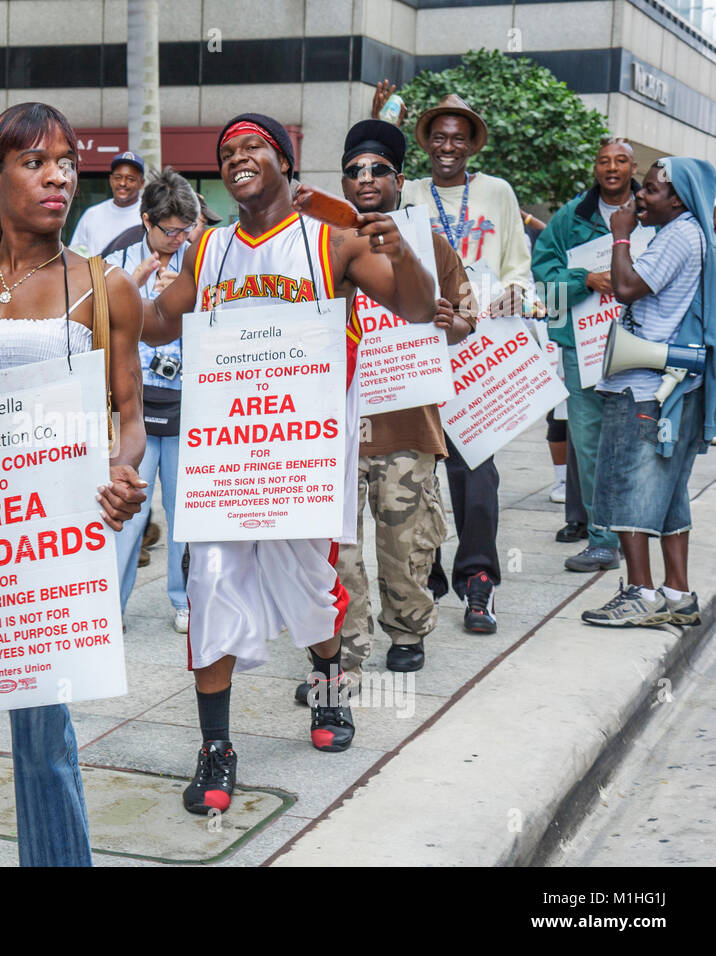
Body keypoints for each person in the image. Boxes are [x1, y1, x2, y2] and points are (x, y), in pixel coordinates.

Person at [142, 112, 435, 814]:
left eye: (253, 148)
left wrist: (406, 255)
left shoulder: (331, 245)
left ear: (283, 161)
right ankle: (216, 745)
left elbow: (419, 308)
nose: (237, 157)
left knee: (312, 586)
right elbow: (155, 322)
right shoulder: (205, 251)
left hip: (302, 456)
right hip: (224, 457)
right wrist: (103, 289)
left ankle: (329, 688)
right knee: (209, 583)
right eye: (227, 152)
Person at [0, 102, 147, 866]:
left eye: (65, 162)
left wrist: (122, 473)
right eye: (34, 162)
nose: (57, 177)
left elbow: (131, 415)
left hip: (48, 544)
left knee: (42, 736)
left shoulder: (102, 286)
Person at [289, 119, 473, 700]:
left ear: (399, 179)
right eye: (353, 170)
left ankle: (408, 629)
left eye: (377, 170)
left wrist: (452, 323)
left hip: (406, 421)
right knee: (336, 549)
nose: (364, 179)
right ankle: (343, 650)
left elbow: (468, 319)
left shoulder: (429, 243)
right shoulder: (318, 243)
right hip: (333, 424)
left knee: (405, 539)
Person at [399, 93, 532, 634]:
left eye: (459, 137)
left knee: (476, 472)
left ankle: (479, 584)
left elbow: (519, 266)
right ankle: (424, 580)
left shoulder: (496, 193)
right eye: (438, 136)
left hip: (482, 348)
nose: (448, 146)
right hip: (419, 345)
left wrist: (517, 292)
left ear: (472, 143)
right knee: (418, 471)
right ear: (426, 142)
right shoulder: (406, 193)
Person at [581, 157, 715, 627]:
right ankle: (677, 594)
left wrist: (620, 233)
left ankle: (640, 594)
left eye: (652, 190)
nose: (640, 196)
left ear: (676, 198)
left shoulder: (679, 234)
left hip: (643, 389)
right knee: (670, 494)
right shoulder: (693, 233)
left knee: (624, 488)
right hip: (672, 388)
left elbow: (625, 285)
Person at [533, 137, 643, 572]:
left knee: (640, 442)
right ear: (595, 168)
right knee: (591, 445)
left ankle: (637, 528)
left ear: (633, 167)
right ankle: (602, 539)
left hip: (644, 347)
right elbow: (545, 281)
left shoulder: (653, 211)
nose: (612, 168)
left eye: (620, 161)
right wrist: (586, 279)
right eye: (604, 161)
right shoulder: (570, 218)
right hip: (586, 350)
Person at [105, 167, 201, 633]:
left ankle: (185, 602)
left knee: (186, 513)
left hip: (188, 402)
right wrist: (138, 286)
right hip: (133, 408)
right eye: (170, 230)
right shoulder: (117, 261)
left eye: (187, 229)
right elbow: (95, 325)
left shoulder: (199, 260)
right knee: (125, 510)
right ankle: (111, 608)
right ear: (147, 220)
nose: (179, 239)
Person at [69, 150, 144, 256]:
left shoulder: (149, 216)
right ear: (111, 180)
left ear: (141, 183)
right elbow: (75, 254)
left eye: (130, 179)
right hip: (97, 272)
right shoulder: (92, 214)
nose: (123, 183)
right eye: (118, 177)